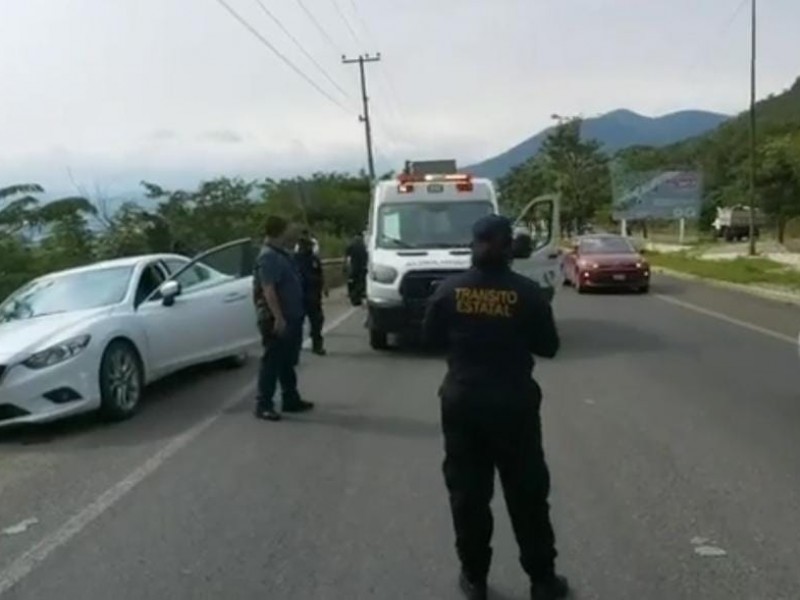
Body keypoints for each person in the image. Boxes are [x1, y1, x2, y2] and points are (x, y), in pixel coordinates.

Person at [422, 214, 569, 600]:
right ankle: (542, 580)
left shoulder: (449, 291)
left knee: (468, 495)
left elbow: (430, 338)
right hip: (513, 404)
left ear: (474, 244)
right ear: (510, 249)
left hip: (463, 402)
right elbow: (549, 346)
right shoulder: (528, 292)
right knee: (527, 494)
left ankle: (474, 578)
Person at [252, 215, 315, 421]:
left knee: (287, 361)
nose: (292, 231)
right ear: (279, 231)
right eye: (288, 228)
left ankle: (290, 398)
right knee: (272, 361)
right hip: (277, 318)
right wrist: (278, 317)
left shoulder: (282, 254)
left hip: (291, 315)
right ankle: (263, 404)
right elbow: (268, 289)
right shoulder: (268, 256)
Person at [295, 232, 327, 355]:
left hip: (313, 295)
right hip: (299, 296)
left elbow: (320, 274)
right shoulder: (294, 259)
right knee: (297, 323)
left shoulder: (314, 259)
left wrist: (324, 288)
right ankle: (295, 346)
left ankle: (317, 345)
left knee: (317, 321)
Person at [344, 231, 368, 305]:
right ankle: (359, 295)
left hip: (354, 267)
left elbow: (347, 256)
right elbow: (367, 257)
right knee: (360, 283)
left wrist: (346, 265)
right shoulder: (364, 246)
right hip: (361, 268)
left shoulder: (352, 245)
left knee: (353, 282)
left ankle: (354, 296)